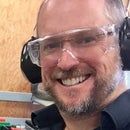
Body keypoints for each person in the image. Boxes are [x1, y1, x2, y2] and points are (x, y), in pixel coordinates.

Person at [27, 0, 130, 130]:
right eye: (51, 45)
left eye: (86, 40)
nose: (65, 63)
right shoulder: (44, 123)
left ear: (124, 45)